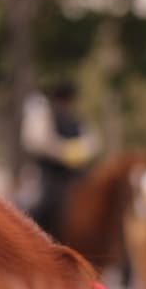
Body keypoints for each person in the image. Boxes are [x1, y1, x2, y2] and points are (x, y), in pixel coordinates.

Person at [22, 80, 100, 241]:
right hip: (51, 174)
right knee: (42, 203)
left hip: (76, 173)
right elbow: (38, 143)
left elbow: (92, 142)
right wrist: (61, 152)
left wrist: (81, 152)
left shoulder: (77, 120)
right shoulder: (45, 119)